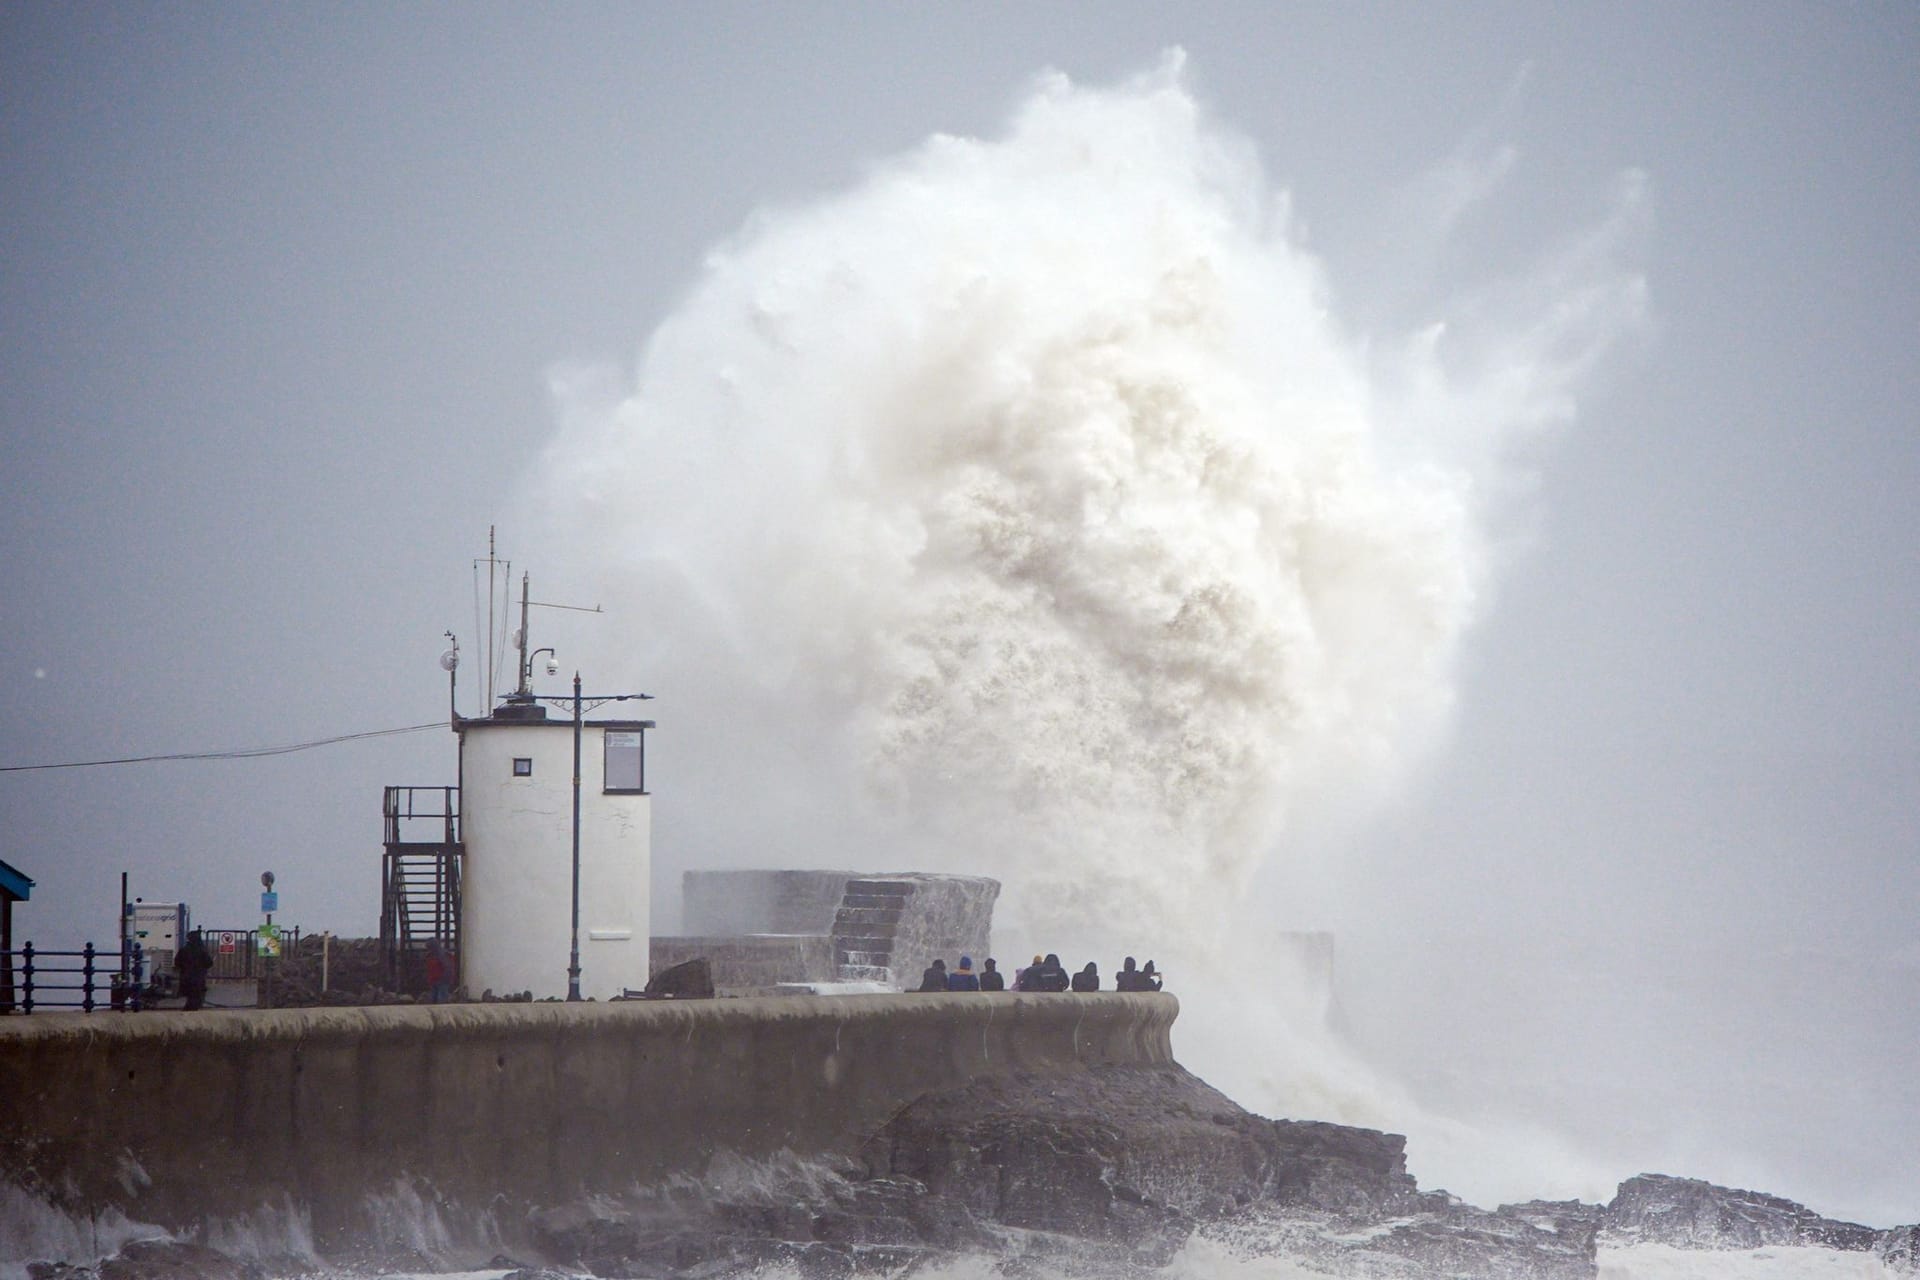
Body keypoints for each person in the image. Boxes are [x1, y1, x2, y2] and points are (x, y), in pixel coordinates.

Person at [174, 929, 213, 1011]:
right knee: (196, 996)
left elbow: (177, 962)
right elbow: (209, 963)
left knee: (190, 996)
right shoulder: (202, 950)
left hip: (186, 976)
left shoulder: (183, 950)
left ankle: (189, 1009)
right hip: (198, 977)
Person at [425, 939, 453, 1004]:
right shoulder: (432, 955)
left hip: (442, 981)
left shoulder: (442, 955)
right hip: (434, 981)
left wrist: (444, 979)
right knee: (434, 1000)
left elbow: (448, 968)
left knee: (441, 1000)